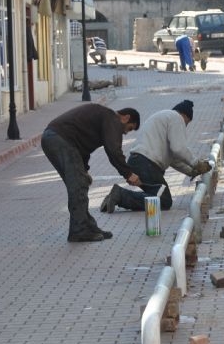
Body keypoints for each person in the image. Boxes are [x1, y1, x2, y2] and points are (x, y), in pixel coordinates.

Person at [41, 105, 142, 242]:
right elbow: (113, 150)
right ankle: (79, 231)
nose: (125, 133)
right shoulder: (112, 119)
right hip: (60, 139)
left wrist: (84, 169)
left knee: (80, 183)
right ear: (125, 118)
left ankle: (88, 227)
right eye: (129, 128)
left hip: (57, 138)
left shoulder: (103, 118)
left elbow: (83, 145)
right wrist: (128, 173)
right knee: (78, 186)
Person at [100, 100, 211, 213]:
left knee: (155, 195)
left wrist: (191, 171)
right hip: (146, 164)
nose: (185, 126)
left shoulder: (164, 119)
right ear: (184, 116)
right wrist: (197, 163)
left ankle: (115, 197)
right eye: (187, 123)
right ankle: (120, 195)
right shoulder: (176, 118)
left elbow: (174, 159)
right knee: (164, 200)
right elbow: (179, 149)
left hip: (138, 161)